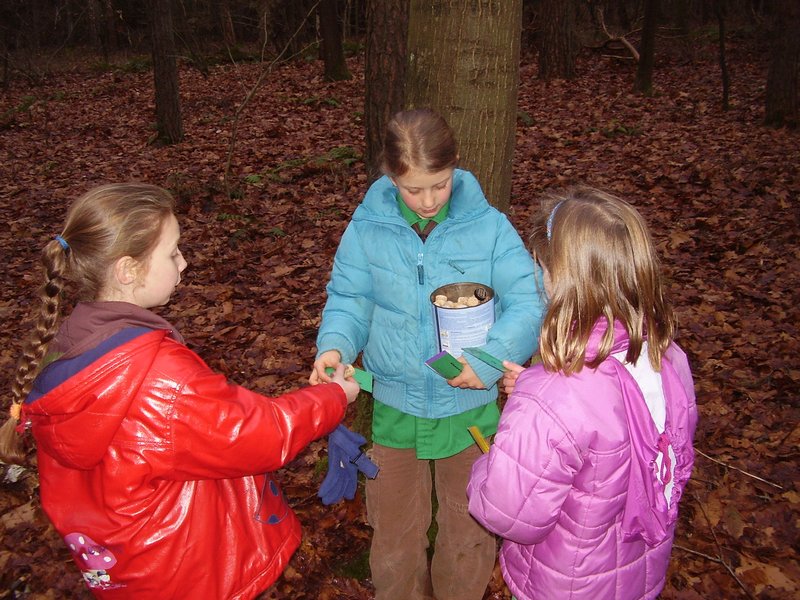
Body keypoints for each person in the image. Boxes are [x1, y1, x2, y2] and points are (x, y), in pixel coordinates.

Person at [0, 183, 360, 599]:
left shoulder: (70, 345)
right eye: (172, 253)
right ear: (128, 271)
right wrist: (335, 396)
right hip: (189, 569)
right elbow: (259, 432)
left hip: (126, 566)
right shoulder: (157, 374)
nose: (184, 261)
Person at [308, 108, 545, 600]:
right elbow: (351, 298)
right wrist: (335, 345)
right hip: (396, 406)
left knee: (468, 531)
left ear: (455, 165)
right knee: (395, 535)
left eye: (439, 184)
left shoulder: (490, 228)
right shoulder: (368, 228)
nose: (429, 200)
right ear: (390, 176)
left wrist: (488, 361)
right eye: (413, 189)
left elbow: (528, 301)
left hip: (470, 411)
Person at [467, 187, 698, 600]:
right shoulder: (668, 357)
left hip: (567, 584)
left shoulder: (553, 396)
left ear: (560, 278)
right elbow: (617, 429)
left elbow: (507, 512)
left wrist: (491, 462)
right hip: (636, 575)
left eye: (542, 268)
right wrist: (536, 397)